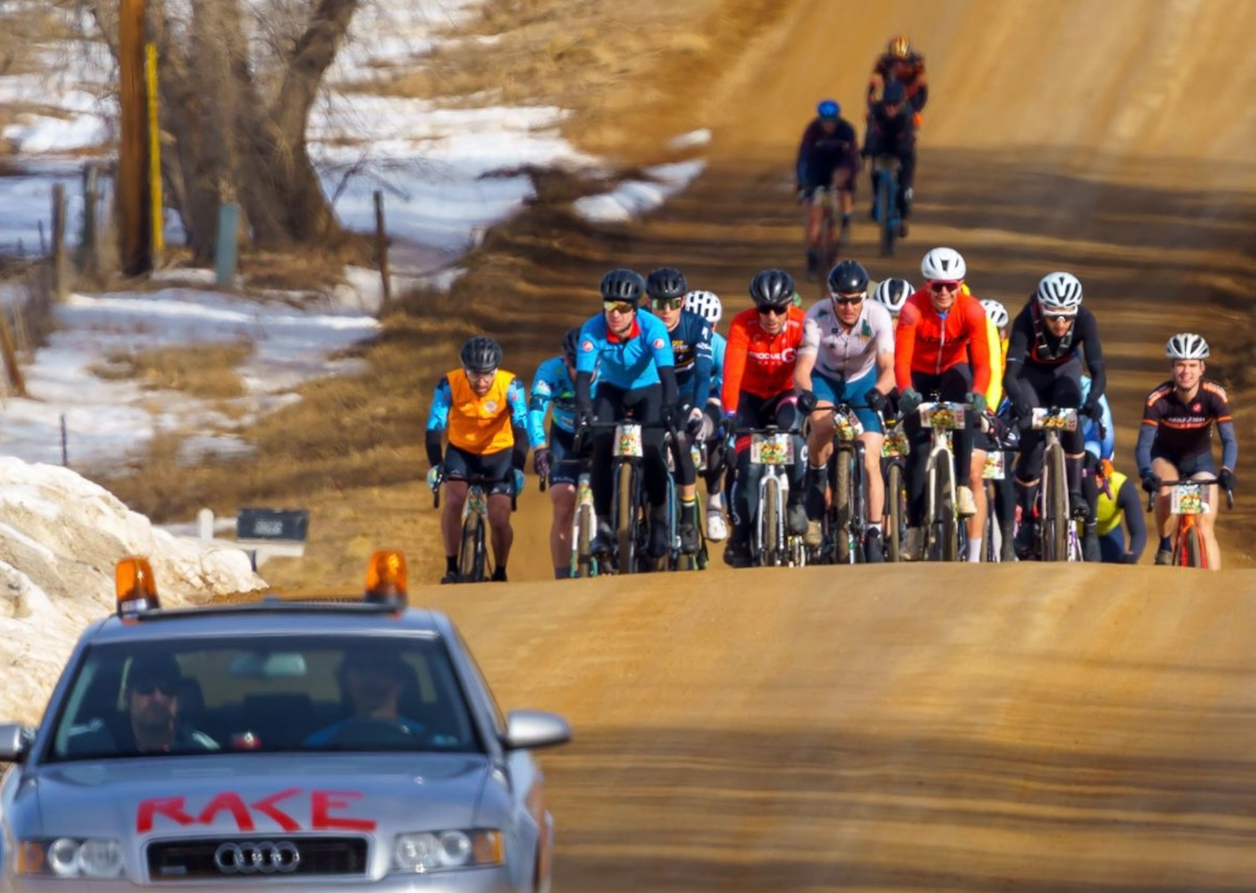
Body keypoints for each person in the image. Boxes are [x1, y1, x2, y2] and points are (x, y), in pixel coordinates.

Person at [794, 259, 895, 561]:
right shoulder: (817, 315)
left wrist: (880, 391)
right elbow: (803, 369)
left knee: (870, 457)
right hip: (825, 380)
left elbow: (889, 368)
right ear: (831, 296)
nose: (848, 307)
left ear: (864, 297)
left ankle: (875, 532)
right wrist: (806, 394)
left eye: (854, 300)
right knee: (822, 425)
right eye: (841, 300)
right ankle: (816, 474)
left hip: (862, 383)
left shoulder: (878, 316)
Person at [575, 269, 679, 560]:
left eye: (622, 308)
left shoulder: (652, 328)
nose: (614, 314)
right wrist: (584, 409)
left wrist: (669, 406)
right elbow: (583, 379)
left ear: (635, 309)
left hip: (650, 389)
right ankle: (605, 526)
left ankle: (658, 521)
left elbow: (668, 376)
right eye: (609, 306)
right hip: (611, 390)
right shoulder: (592, 330)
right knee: (601, 445)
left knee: (651, 447)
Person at [894, 247, 991, 560]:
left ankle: (962, 486)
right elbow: (902, 360)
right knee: (917, 450)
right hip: (919, 374)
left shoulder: (973, 310)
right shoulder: (912, 309)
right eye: (938, 286)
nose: (945, 292)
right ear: (927, 285)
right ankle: (914, 528)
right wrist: (906, 391)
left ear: (961, 285)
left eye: (952, 286)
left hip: (954, 370)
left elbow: (984, 362)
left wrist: (979, 392)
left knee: (964, 411)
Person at [1003, 272, 1107, 559]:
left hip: (1065, 373)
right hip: (1030, 377)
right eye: (1053, 318)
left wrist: (1094, 400)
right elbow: (1010, 376)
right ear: (1041, 310)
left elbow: (1098, 369)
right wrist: (1018, 401)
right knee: (1032, 442)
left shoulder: (1085, 319)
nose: (1060, 324)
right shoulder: (1025, 319)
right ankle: (1027, 521)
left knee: (1071, 419)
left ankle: (1073, 493)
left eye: (1066, 318)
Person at [721, 269, 809, 567]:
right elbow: (732, 372)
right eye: (764, 309)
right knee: (748, 470)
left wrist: (810, 395)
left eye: (779, 309)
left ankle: (796, 502)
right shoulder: (742, 324)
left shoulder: (803, 323)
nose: (771, 316)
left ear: (789, 307)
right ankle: (741, 535)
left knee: (793, 438)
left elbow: (812, 366)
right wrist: (730, 413)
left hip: (787, 395)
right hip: (751, 398)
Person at [427, 336, 531, 583]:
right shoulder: (448, 384)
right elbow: (434, 427)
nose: (482, 381)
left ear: (496, 370)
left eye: (488, 374)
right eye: (475, 375)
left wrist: (517, 466)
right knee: (453, 501)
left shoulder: (511, 385)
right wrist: (435, 464)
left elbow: (521, 428)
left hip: (500, 453)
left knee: (499, 517)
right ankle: (451, 567)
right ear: (465, 370)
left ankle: (500, 570)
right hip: (461, 452)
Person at [1136, 333, 1237, 568]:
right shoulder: (1157, 399)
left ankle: (1213, 586)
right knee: (1165, 489)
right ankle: (1164, 544)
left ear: (1202, 368)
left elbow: (1229, 440)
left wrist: (1227, 470)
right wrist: (1146, 473)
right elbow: (1143, 445)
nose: (1186, 371)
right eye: (1181, 365)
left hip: (1200, 463)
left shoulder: (1215, 396)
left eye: (1192, 365)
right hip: (1165, 458)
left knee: (1204, 525)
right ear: (1172, 368)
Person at [643, 267, 712, 554]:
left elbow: (704, 374)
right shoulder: (639, 325)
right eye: (660, 304)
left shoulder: (697, 326)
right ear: (649, 303)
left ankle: (686, 516)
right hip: (648, 391)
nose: (666, 311)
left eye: (673, 303)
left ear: (683, 302)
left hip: (684, 391)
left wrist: (697, 409)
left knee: (681, 440)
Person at [530, 327, 589, 580]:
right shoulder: (549, 371)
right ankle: (562, 577)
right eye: (574, 364)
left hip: (601, 437)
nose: (579, 371)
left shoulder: (610, 368)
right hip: (563, 439)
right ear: (565, 360)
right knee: (563, 504)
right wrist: (541, 448)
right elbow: (535, 412)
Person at [684, 288, 731, 542]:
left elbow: (727, 386)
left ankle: (714, 505)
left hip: (709, 398)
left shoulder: (720, 346)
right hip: (679, 399)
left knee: (715, 432)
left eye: (710, 325)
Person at [795, 99, 861, 279]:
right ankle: (812, 258)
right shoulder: (812, 131)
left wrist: (849, 177)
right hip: (817, 172)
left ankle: (842, 226)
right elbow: (803, 159)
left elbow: (854, 158)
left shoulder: (846, 130)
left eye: (832, 122)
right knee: (814, 217)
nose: (829, 125)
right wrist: (802, 184)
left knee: (841, 194)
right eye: (825, 121)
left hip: (839, 169)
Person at [305, 650, 424, 747]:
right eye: (360, 669)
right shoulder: (319, 744)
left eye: (379, 669)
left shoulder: (427, 740)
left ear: (399, 682)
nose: (369, 679)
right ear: (345, 682)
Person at [861, 80, 916, 237]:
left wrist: (902, 152)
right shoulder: (875, 111)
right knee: (875, 171)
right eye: (888, 104)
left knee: (905, 187)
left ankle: (903, 219)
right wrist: (867, 151)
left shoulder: (907, 115)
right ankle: (876, 198)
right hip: (882, 146)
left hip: (902, 150)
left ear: (901, 103)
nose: (891, 108)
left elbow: (908, 140)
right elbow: (870, 134)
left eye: (895, 104)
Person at [1094, 458, 1147, 564]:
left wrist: (1133, 553)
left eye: (1100, 475)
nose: (1096, 480)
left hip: (1108, 534)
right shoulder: (1066, 481)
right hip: (1078, 535)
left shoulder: (1121, 485)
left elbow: (1138, 531)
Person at [867, 34, 928, 120]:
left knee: (915, 119)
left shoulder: (916, 64)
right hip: (889, 95)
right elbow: (873, 85)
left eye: (902, 61)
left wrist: (917, 111)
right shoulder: (883, 63)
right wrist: (871, 108)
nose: (899, 65)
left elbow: (922, 89)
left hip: (909, 94)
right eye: (896, 61)